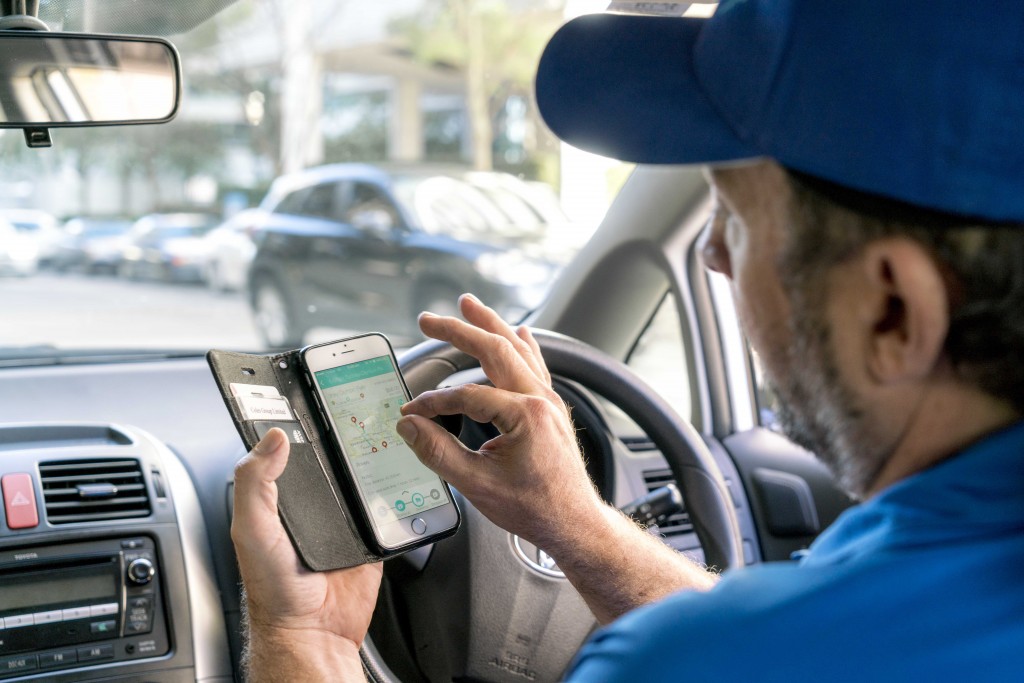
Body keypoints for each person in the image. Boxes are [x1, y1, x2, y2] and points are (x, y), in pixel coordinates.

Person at [231, 1, 1024, 680]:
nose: (711, 252)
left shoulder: (694, 660)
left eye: (736, 219)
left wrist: (307, 637)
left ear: (892, 311)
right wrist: (572, 517)